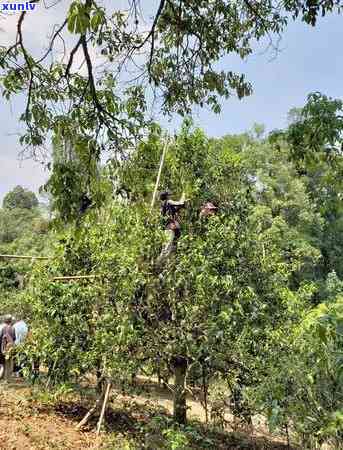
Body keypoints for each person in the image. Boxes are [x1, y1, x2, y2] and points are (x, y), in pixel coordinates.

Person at [0, 315, 16, 381]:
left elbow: (0, 338)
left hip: (4, 347)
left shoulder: (3, 328)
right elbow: (14, 338)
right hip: (11, 347)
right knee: (10, 362)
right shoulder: (13, 328)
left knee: (5, 363)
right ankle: (9, 378)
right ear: (10, 321)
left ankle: (5, 378)